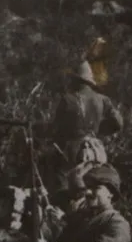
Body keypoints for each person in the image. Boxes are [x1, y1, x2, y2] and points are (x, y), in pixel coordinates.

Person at [36, 164, 131, 242]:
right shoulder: (84, 216)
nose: (87, 192)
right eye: (87, 188)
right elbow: (65, 237)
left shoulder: (117, 224)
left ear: (111, 194)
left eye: (96, 188)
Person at [51, 60, 123, 192]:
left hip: (72, 150)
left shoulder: (66, 100)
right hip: (96, 150)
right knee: (96, 184)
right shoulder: (102, 99)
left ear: (74, 80)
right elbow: (118, 123)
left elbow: (56, 129)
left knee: (66, 187)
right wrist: (97, 130)